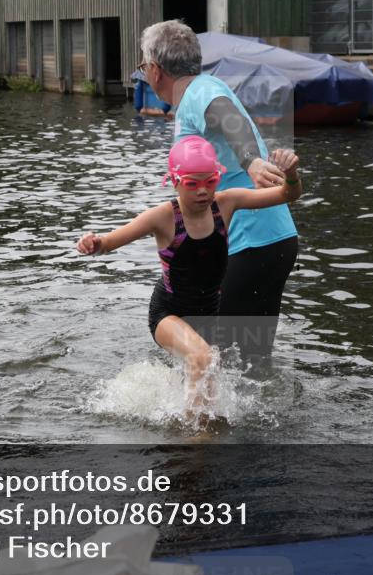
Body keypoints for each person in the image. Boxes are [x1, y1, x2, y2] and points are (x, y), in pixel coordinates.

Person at [76, 136, 301, 423]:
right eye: (192, 184)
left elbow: (287, 195)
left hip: (208, 312)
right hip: (168, 313)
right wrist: (93, 243)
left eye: (210, 181)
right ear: (175, 181)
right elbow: (108, 242)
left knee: (208, 376)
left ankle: (195, 429)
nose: (203, 191)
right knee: (202, 357)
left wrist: (291, 174)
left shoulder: (226, 204)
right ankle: (196, 444)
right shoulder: (163, 217)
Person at [139, 20, 300, 361]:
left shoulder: (199, 90)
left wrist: (252, 161)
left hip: (246, 245)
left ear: (155, 70)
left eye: (143, 65)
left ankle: (199, 415)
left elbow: (226, 115)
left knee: (205, 357)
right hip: (276, 241)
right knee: (252, 363)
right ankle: (264, 414)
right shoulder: (201, 92)